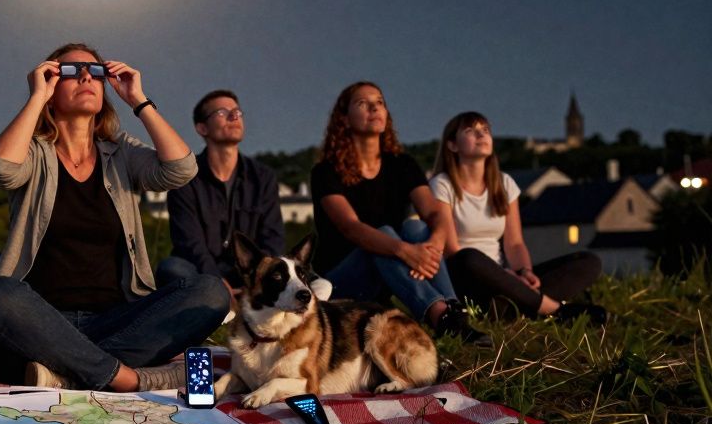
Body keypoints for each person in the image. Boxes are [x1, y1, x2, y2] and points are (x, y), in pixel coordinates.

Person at [0, 43, 230, 392]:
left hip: (117, 322)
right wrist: (36, 98)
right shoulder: (34, 152)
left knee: (210, 292)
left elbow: (181, 170)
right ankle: (129, 378)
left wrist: (138, 99)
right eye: (69, 71)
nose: (85, 77)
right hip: (39, 323)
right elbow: (2, 168)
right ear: (50, 84)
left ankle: (66, 374)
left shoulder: (120, 151)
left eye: (95, 72)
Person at [310, 82, 490, 346]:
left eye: (380, 102)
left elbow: (434, 213)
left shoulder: (402, 164)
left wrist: (434, 244)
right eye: (363, 103)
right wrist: (404, 251)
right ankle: (439, 314)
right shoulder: (325, 172)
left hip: (390, 273)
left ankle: (453, 312)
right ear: (344, 119)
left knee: (417, 229)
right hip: (341, 284)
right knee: (383, 234)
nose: (374, 107)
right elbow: (351, 227)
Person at [431, 112, 606, 324]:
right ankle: (555, 309)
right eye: (471, 131)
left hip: (506, 279)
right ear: (452, 145)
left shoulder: (504, 184)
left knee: (589, 262)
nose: (481, 135)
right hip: (467, 278)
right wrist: (505, 277)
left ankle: (514, 307)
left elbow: (514, 243)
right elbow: (451, 250)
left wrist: (524, 272)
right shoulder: (442, 185)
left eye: (485, 130)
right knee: (469, 256)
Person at [156, 89, 283, 310]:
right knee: (171, 268)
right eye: (223, 112)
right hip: (202, 272)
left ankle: (245, 301)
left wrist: (256, 280)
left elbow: (272, 237)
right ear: (202, 128)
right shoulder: (186, 178)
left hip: (251, 275)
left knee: (309, 276)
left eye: (237, 112)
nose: (234, 117)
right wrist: (216, 282)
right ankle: (216, 305)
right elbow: (189, 243)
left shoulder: (262, 177)